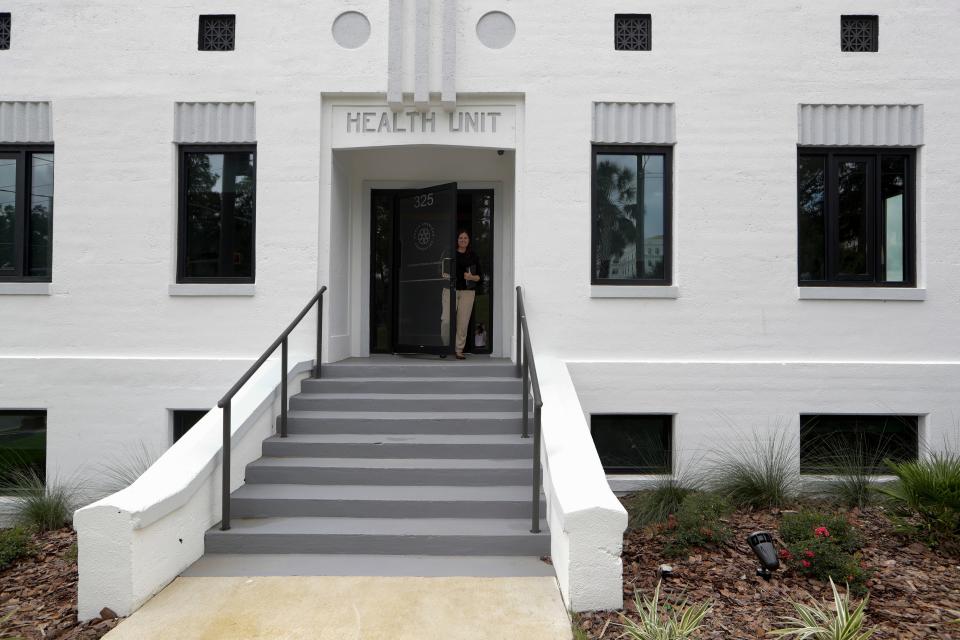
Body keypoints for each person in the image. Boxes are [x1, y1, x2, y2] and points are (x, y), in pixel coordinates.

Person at [450, 230, 481, 359]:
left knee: (462, 323)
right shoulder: (450, 254)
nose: (463, 240)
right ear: (457, 240)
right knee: (446, 321)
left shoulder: (473, 256)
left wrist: (471, 277)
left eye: (465, 238)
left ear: (468, 240)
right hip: (450, 290)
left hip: (467, 292)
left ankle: (458, 350)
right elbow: (441, 270)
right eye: (460, 238)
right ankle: (444, 346)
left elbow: (479, 277)